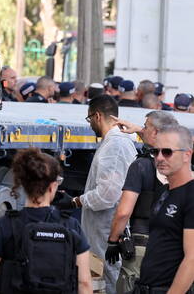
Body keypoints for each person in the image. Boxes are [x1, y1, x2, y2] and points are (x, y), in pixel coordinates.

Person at [0, 148, 93, 294]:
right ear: (52, 187)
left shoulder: (4, 225)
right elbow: (84, 282)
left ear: (22, 184)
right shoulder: (71, 225)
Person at [54, 95, 137, 294]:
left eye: (89, 119)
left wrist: (75, 201)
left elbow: (107, 194)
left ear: (97, 116)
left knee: (108, 280)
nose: (90, 123)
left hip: (106, 231)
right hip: (104, 230)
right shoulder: (116, 143)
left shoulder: (115, 146)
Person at [106, 110, 178, 293]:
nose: (142, 130)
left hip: (142, 245)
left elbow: (123, 212)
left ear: (155, 133)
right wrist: (141, 129)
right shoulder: (184, 165)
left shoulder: (141, 166)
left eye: (146, 127)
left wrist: (113, 241)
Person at [134, 125, 194, 292]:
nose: (159, 157)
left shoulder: (190, 195)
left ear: (186, 155)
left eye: (167, 152)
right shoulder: (165, 192)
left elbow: (192, 258)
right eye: (155, 152)